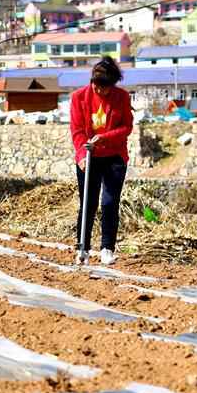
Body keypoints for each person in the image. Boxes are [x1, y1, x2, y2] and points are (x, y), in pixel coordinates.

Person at [69, 56, 133, 265]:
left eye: (105, 89)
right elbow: (77, 130)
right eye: (98, 88)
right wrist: (81, 155)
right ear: (93, 83)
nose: (101, 92)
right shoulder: (79, 97)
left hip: (114, 156)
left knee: (109, 202)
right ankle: (83, 247)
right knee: (88, 203)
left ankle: (107, 247)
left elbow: (126, 128)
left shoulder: (122, 97)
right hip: (89, 157)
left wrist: (104, 137)